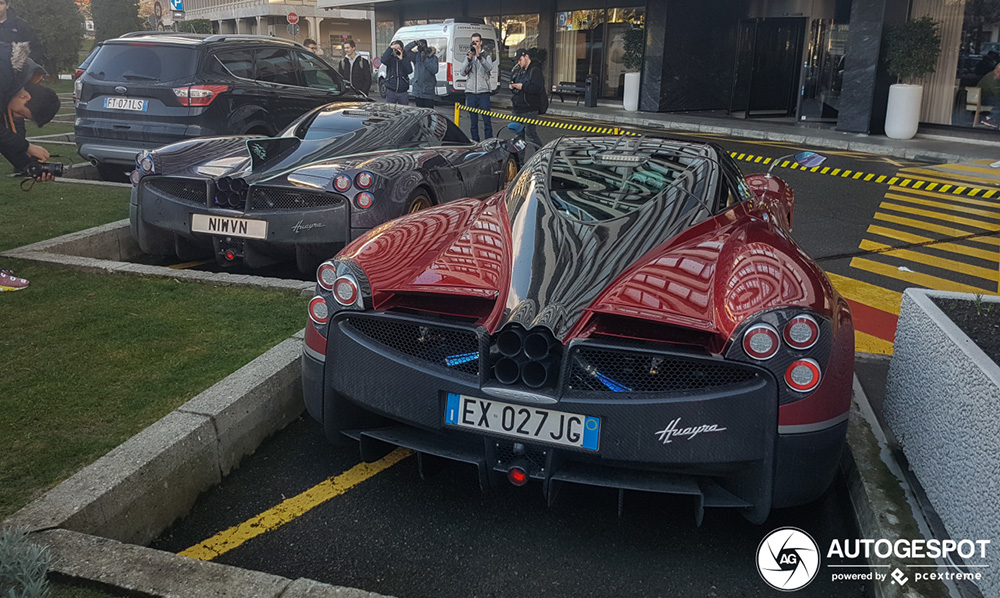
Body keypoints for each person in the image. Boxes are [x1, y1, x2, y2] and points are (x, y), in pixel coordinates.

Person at [0, 43, 60, 291]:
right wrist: (26, 147)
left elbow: (7, 132)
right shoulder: (4, 77)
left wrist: (29, 167)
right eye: (25, 114)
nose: (20, 119)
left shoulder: (11, 87)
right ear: (25, 96)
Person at [509, 48, 544, 148]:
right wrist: (513, 87)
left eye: (520, 60)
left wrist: (522, 87)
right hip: (518, 107)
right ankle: (519, 161)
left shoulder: (535, 70)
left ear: (526, 56)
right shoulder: (520, 71)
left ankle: (540, 157)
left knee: (530, 135)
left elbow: (537, 88)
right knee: (518, 136)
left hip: (529, 108)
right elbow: (517, 86)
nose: (518, 63)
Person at [461, 33, 493, 141]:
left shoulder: (486, 55)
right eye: (473, 42)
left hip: (483, 92)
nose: (475, 44)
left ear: (481, 42)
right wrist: (469, 59)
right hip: (471, 92)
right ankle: (475, 142)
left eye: (477, 41)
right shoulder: (469, 56)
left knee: (487, 121)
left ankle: (489, 142)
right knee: (473, 122)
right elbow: (462, 72)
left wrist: (479, 57)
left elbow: (489, 68)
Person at [0, 0, 45, 65]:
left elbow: (36, 49)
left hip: (17, 73)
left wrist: (23, 64)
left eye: (1, 3)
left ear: (7, 5)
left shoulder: (21, 26)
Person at [407, 39, 438, 108]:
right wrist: (414, 43)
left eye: (422, 45)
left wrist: (425, 60)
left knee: (429, 113)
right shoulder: (416, 56)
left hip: (428, 91)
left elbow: (434, 70)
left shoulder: (433, 57)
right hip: (418, 91)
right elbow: (405, 51)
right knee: (419, 113)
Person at [381, 39, 412, 106]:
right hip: (391, 89)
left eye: (398, 48)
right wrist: (390, 48)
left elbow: (409, 70)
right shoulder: (390, 58)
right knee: (390, 110)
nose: (396, 51)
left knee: (404, 111)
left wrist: (401, 59)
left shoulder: (405, 57)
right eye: (395, 49)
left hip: (403, 90)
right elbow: (383, 60)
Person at [977, 61, 1000, 128]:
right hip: (983, 98)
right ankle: (989, 118)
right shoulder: (994, 78)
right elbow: (997, 93)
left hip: (984, 97)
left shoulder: (992, 75)